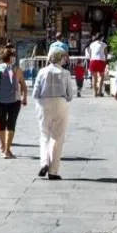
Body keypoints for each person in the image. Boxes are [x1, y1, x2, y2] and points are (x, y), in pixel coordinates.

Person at [33, 48, 74, 180]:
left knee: (44, 135)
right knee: (57, 137)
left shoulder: (42, 71)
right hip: (61, 103)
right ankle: (53, 171)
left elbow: (35, 93)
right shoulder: (66, 73)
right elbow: (70, 95)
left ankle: (44, 162)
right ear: (60, 58)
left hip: (44, 104)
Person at [0, 48, 28, 158]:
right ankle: (7, 150)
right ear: (12, 58)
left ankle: (3, 146)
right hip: (14, 101)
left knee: (1, 124)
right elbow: (23, 85)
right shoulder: (17, 69)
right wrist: (24, 98)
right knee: (11, 125)